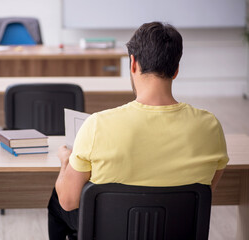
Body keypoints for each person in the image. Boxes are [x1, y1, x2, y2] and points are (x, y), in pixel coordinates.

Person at [47, 21, 229, 240]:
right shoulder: (210, 127)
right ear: (176, 69)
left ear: (132, 63)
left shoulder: (97, 125)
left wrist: (66, 162)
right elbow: (205, 193)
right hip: (175, 231)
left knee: (57, 202)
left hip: (112, 232)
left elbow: (68, 201)